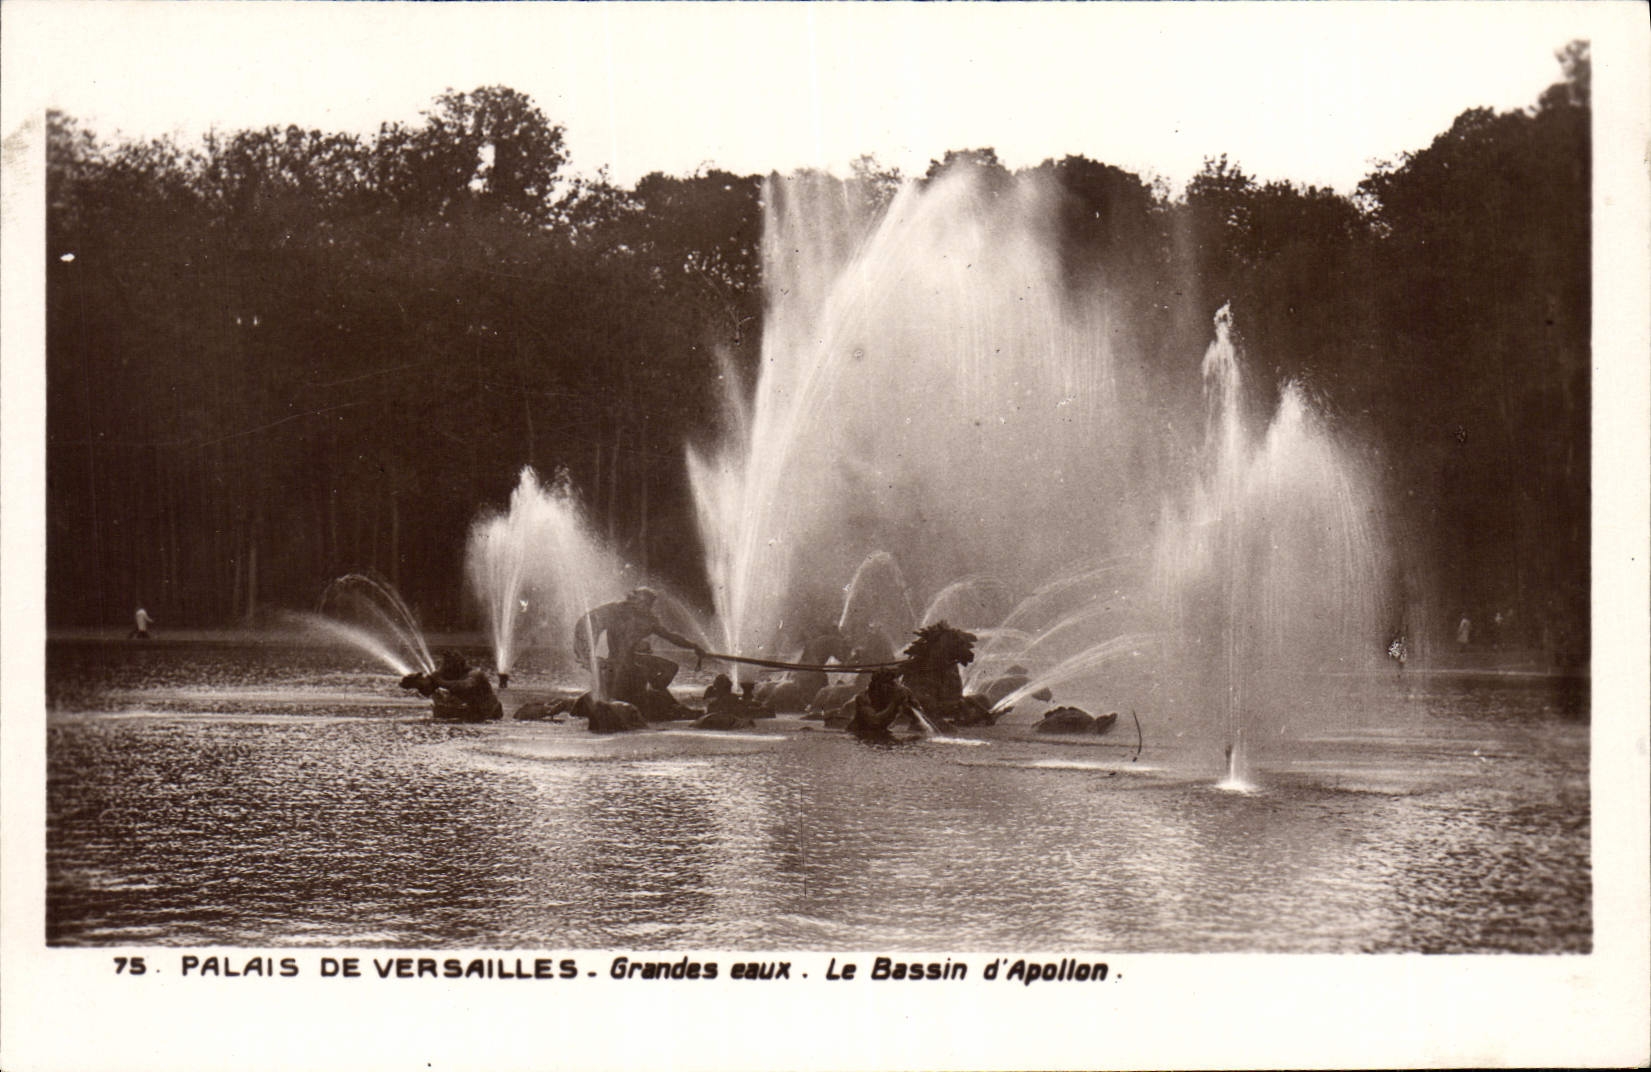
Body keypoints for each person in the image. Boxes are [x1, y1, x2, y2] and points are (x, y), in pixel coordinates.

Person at [573, 587, 705, 719]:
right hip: (616, 661)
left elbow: (670, 636)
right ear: (634, 599)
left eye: (649, 603)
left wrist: (693, 646)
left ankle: (656, 694)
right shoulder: (616, 612)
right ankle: (657, 699)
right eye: (643, 602)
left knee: (671, 667)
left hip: (632, 658)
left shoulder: (649, 620)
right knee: (641, 671)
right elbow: (588, 623)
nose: (646, 606)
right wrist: (589, 656)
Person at [400, 650, 503, 722]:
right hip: (469, 712)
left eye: (447, 666)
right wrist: (417, 682)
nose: (444, 669)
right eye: (444, 665)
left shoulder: (475, 674)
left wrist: (441, 682)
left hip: (489, 713)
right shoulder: (445, 674)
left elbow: (465, 685)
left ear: (457, 667)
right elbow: (430, 685)